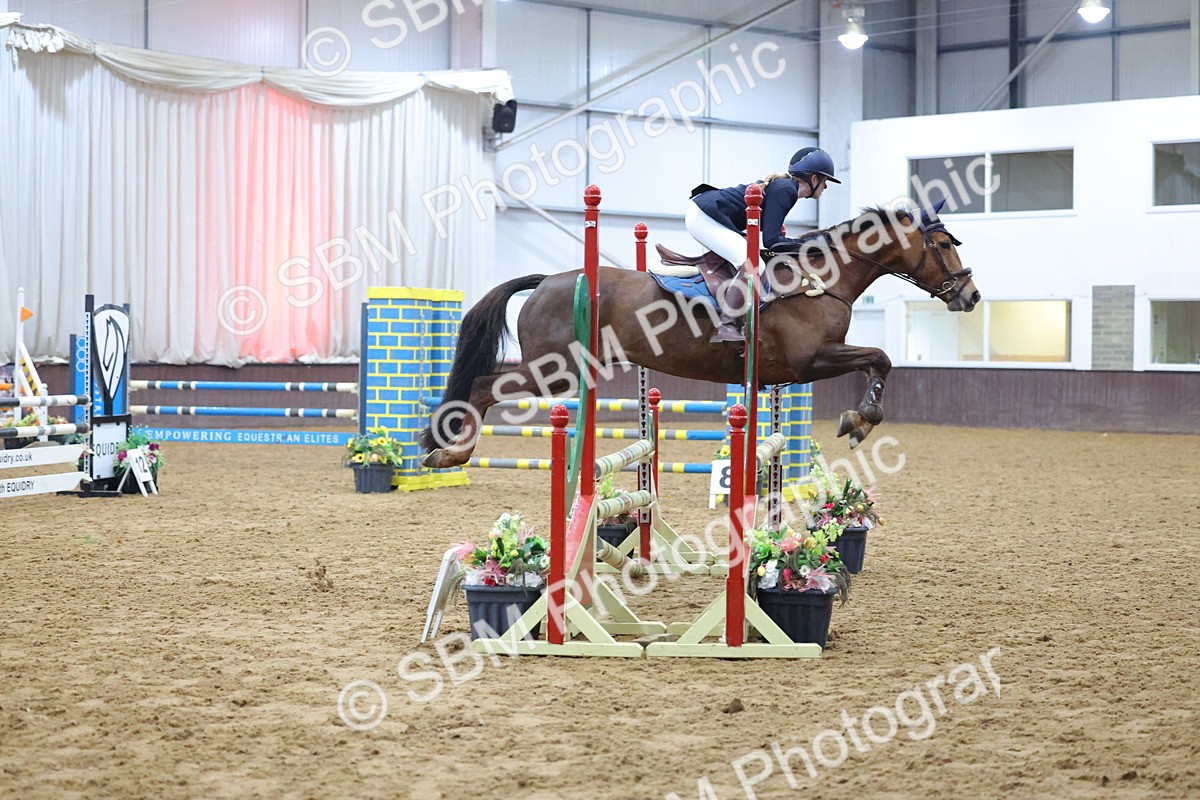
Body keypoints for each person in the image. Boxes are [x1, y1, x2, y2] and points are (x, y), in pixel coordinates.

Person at [686, 147, 840, 343]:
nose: (825, 187)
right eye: (825, 181)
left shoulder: (786, 188)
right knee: (754, 265)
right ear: (814, 178)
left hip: (707, 214)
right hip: (704, 217)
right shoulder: (786, 190)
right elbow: (772, 241)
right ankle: (726, 325)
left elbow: (772, 239)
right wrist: (812, 244)